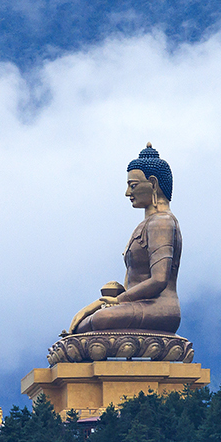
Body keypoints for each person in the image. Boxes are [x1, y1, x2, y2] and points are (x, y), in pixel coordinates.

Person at [66, 144, 182, 335]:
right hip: (136, 305)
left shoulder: (163, 222)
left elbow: (159, 280)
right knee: (84, 324)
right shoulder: (147, 224)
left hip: (159, 309)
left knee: (98, 320)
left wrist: (115, 302)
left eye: (133, 185)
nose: (128, 193)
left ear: (153, 183)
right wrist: (110, 296)